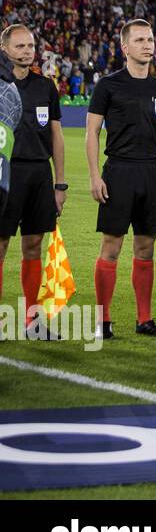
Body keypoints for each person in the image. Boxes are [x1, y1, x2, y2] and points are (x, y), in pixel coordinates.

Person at [85, 19, 156, 339]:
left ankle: (144, 320)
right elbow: (92, 133)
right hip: (118, 171)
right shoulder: (108, 85)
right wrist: (95, 175)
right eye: (140, 40)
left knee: (146, 247)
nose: (148, 45)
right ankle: (103, 321)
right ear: (125, 47)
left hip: (150, 171)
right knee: (111, 246)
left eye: (151, 39)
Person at [0, 24, 66, 335]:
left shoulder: (46, 86)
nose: (27, 51)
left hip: (40, 174)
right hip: (6, 173)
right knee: (0, 245)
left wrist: (60, 183)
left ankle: (32, 320)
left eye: (30, 46)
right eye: (20, 46)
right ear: (5, 50)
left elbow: (56, 135)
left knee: (34, 245)